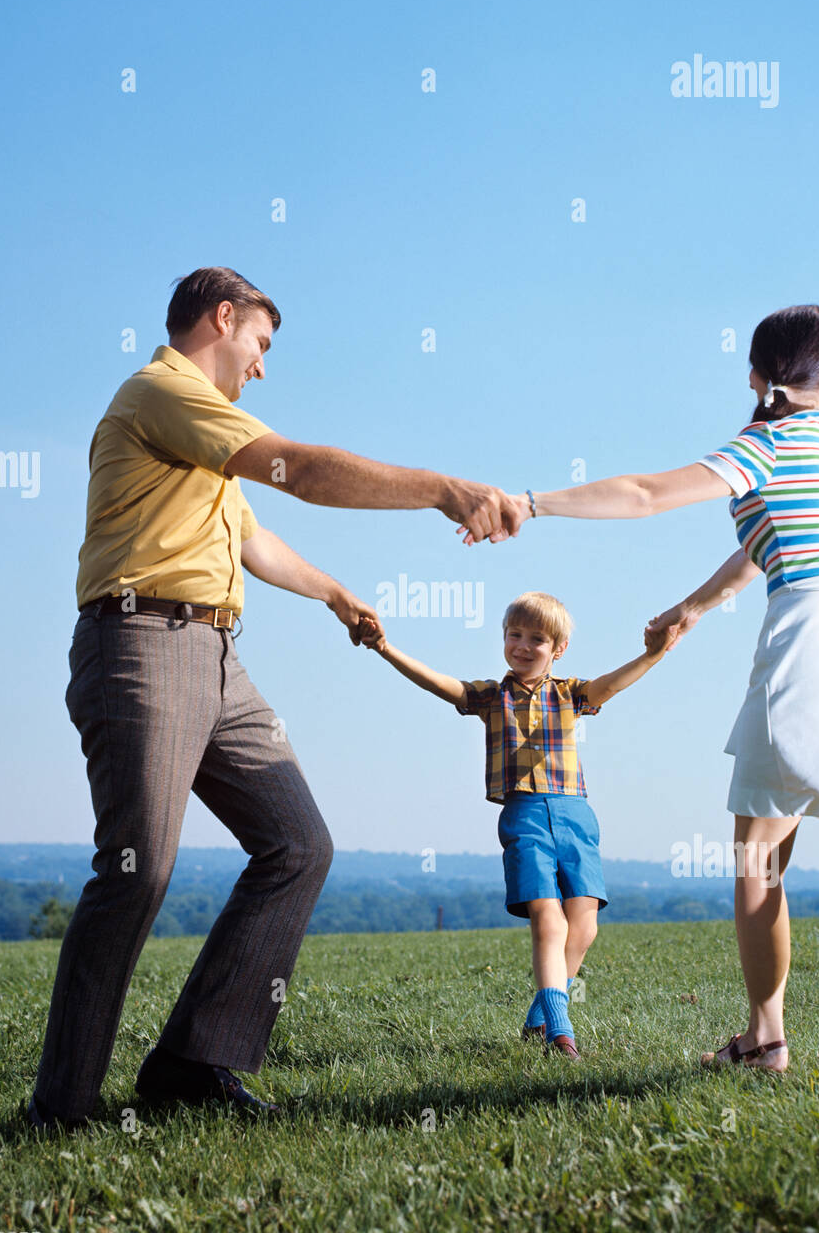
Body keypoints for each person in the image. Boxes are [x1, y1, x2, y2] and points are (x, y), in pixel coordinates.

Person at [29, 266, 520, 1130]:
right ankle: (61, 1105)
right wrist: (442, 487)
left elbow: (254, 540)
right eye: (259, 343)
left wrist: (334, 593)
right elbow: (298, 470)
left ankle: (194, 1061)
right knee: (138, 872)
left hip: (217, 656)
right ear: (222, 319)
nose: (261, 366)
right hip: (140, 643)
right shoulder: (161, 392)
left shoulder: (203, 440)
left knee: (299, 844)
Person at [498, 304, 819, 1095]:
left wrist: (531, 503)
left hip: (814, 647)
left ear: (756, 374)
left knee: (757, 864)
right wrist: (694, 606)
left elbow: (645, 494)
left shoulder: (766, 443)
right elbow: (765, 539)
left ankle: (767, 1035)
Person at [358, 590, 677, 1059]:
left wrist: (651, 655)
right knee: (549, 920)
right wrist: (386, 649)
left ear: (558, 649)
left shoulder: (570, 694)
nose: (523, 646)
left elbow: (611, 685)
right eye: (515, 635)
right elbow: (438, 683)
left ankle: (539, 1014)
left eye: (537, 639)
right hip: (525, 814)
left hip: (575, 812)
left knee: (583, 926)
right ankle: (559, 1030)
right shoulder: (491, 696)